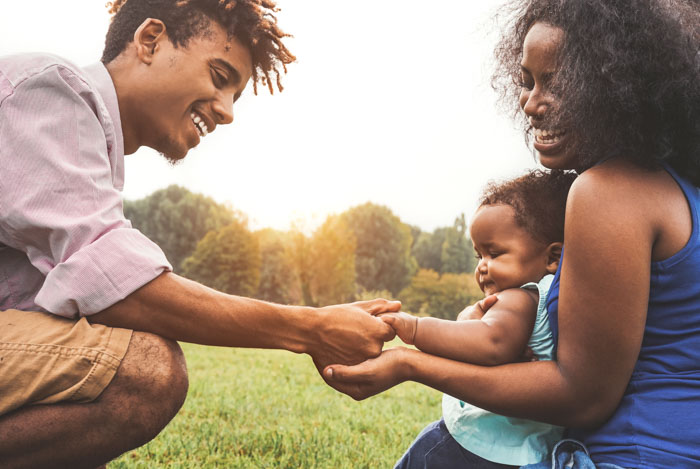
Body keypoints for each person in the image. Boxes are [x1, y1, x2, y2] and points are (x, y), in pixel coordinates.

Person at [0, 1, 398, 467]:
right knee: (145, 370)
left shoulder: (91, 142)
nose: (227, 112)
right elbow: (112, 283)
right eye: (219, 76)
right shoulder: (49, 90)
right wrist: (311, 328)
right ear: (150, 40)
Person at [324, 0, 700, 468]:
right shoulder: (680, 189)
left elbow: (581, 396)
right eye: (528, 81)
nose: (530, 102)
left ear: (616, 84)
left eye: (557, 83)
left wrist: (409, 362)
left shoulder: (607, 191)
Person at [381, 169, 576, 468]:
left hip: (474, 445)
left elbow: (490, 342)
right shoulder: (561, 298)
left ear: (553, 257)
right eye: (478, 256)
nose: (483, 267)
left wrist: (415, 327)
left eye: (494, 254)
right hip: (526, 452)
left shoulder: (520, 297)